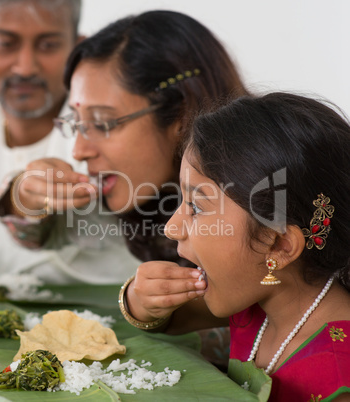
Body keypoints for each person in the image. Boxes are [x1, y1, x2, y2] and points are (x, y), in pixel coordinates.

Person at [0, 10, 248, 366]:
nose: (80, 150)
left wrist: (154, 310)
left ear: (180, 115)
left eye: (102, 123)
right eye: (76, 123)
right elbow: (36, 232)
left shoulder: (256, 192)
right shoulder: (130, 193)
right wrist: (26, 195)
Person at [120, 92, 350, 400]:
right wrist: (140, 298)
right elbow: (170, 316)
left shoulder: (339, 371)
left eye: (196, 207)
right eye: (182, 201)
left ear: (279, 245)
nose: (171, 228)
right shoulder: (258, 298)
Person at [0, 0, 142, 285]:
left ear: (78, 52)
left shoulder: (124, 129)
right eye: (5, 44)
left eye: (48, 45)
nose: (25, 67)